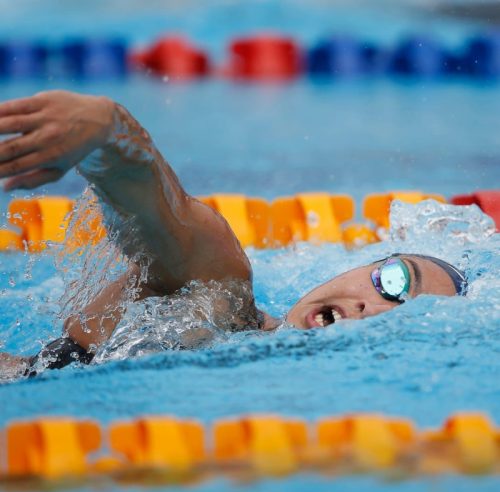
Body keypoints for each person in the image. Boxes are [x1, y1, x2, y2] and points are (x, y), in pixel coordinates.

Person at [0, 91, 467, 377]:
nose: (373, 309)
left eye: (403, 321)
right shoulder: (223, 300)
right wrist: (106, 128)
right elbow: (162, 212)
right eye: (396, 282)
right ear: (361, 265)